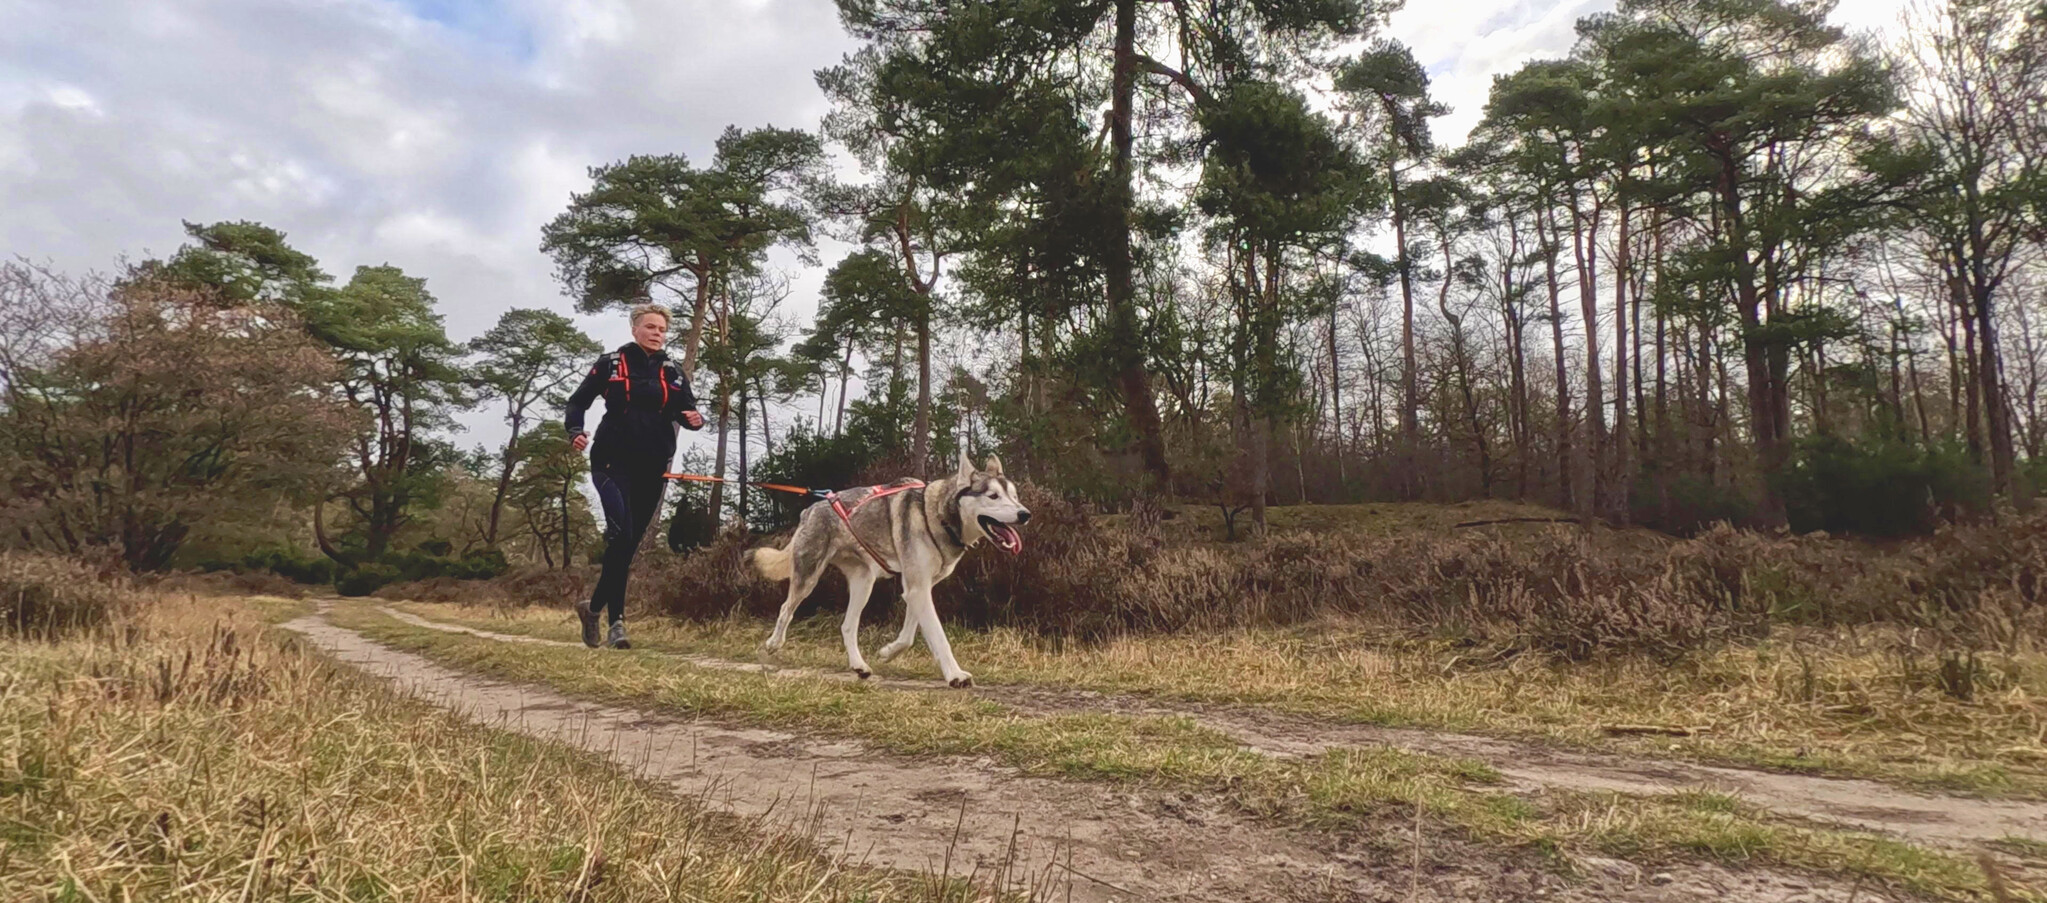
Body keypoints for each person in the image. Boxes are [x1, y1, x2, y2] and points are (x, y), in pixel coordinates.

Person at [563, 303, 706, 649]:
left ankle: (593, 608)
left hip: (652, 466)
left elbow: (687, 410)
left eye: (662, 329)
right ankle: (617, 625)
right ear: (634, 330)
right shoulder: (611, 364)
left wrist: (694, 419)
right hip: (611, 462)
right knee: (621, 536)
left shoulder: (672, 370)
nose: (657, 333)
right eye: (651, 327)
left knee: (626, 548)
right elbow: (577, 402)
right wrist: (575, 431)